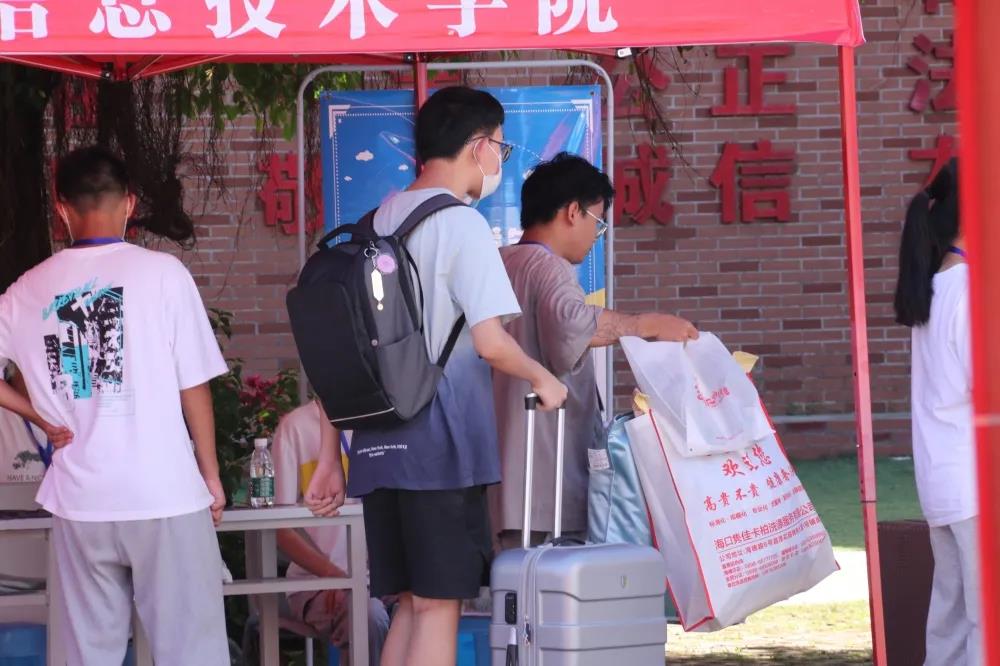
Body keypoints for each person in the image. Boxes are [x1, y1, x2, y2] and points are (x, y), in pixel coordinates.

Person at [304, 86, 568, 666]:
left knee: (410, 604)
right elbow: (491, 342)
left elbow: (340, 354)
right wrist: (544, 378)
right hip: (440, 444)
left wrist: (329, 457)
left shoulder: (373, 223)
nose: (500, 160)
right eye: (500, 147)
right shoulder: (461, 225)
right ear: (478, 147)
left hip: (377, 447)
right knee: (438, 604)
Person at [0, 146, 231, 665]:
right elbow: (193, 384)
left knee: (88, 655)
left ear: (62, 208)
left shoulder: (27, 290)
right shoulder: (165, 274)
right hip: (165, 494)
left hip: (81, 502)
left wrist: (38, 414)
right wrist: (211, 475)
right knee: (191, 653)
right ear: (129, 203)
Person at [491, 153, 698, 548]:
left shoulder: (501, 262)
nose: (596, 235)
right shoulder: (549, 267)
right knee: (550, 582)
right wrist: (648, 325)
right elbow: (572, 324)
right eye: (599, 223)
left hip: (499, 478)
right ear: (573, 212)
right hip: (544, 481)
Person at [892, 158, 980, 666]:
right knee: (983, 622)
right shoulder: (970, 290)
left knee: (951, 621)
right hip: (974, 483)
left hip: (945, 480)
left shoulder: (938, 285)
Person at [272, 400, 390, 665]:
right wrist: (335, 577)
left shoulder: (378, 418)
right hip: (317, 581)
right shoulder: (295, 427)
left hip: (381, 577)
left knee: (424, 606)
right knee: (368, 617)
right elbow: (282, 529)